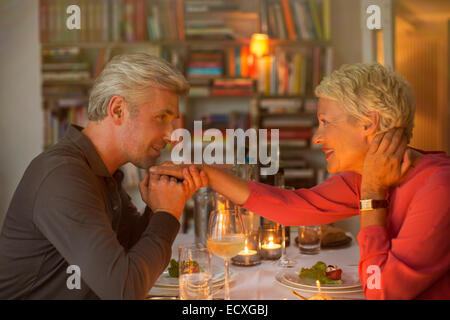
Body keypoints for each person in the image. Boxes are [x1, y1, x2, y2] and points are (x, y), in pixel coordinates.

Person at [151, 63, 450, 300]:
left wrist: (372, 196)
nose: (317, 137)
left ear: (368, 123)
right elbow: (291, 207)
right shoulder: (370, 175)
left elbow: (382, 291)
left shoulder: (438, 187)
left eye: (325, 122)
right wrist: (204, 172)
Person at [0, 53, 206, 299]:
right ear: (118, 109)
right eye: (161, 118)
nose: (171, 135)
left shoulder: (99, 171)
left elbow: (130, 253)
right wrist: (167, 214)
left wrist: (157, 207)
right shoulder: (63, 177)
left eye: (171, 121)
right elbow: (125, 290)